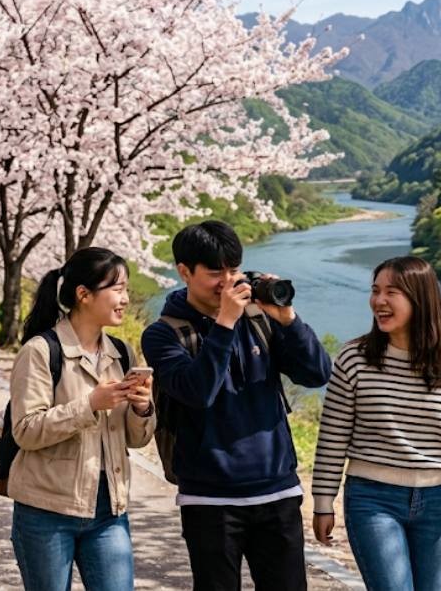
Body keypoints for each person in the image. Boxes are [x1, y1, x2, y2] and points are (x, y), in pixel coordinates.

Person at [140, 221, 332, 590]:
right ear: (184, 271)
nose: (228, 282)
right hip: (209, 497)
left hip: (277, 489)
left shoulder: (260, 320)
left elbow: (317, 373)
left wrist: (288, 321)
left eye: (234, 270)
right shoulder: (164, 334)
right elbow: (198, 392)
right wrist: (225, 323)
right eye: (215, 273)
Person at [312, 256, 441, 591]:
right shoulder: (354, 359)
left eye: (391, 292)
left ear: (420, 299)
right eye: (375, 290)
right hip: (371, 500)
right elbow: (332, 437)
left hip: (437, 502)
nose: (378, 301)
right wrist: (323, 502)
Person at [8, 247, 155, 591]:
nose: (125, 299)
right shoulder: (41, 351)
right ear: (84, 295)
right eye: (117, 289)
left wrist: (142, 408)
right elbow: (26, 431)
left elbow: (136, 439)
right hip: (46, 510)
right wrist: (89, 405)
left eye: (126, 290)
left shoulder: (122, 352)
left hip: (109, 509)